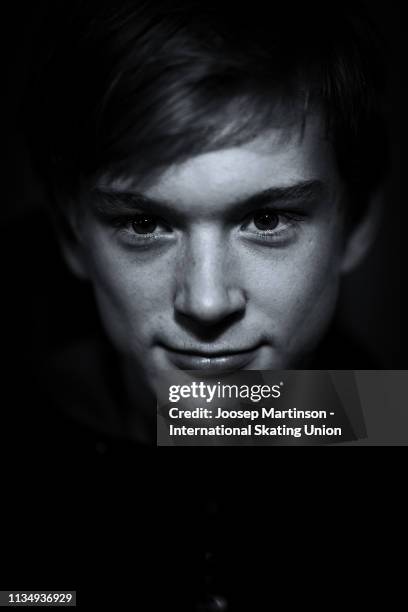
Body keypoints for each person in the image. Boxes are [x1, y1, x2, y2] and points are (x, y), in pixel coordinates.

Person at [18, 0, 388, 448]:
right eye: (143, 224)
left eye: (267, 220)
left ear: (357, 225)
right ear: (70, 235)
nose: (207, 303)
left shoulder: (384, 422)